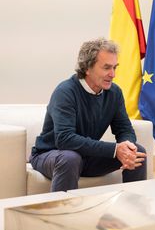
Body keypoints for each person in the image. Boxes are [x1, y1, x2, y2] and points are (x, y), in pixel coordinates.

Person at [30, 38, 147, 192]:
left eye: (114, 67)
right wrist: (114, 149)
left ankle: (132, 209)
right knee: (70, 158)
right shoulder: (65, 92)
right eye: (106, 68)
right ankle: (62, 213)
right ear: (87, 68)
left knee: (137, 153)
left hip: (85, 157)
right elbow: (65, 139)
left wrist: (126, 147)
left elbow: (124, 128)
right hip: (50, 154)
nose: (112, 74)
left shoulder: (114, 93)